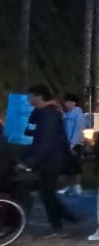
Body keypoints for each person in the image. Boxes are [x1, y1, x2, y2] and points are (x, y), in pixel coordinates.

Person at [19, 85, 77, 236]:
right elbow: (36, 128)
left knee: (46, 193)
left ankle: (59, 225)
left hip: (51, 160)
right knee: (47, 193)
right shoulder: (45, 113)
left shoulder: (49, 115)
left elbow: (46, 142)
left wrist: (28, 162)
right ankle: (64, 219)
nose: (28, 99)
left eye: (30, 96)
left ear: (38, 97)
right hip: (49, 160)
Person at [60, 93, 85, 195]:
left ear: (73, 103)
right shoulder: (66, 114)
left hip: (75, 144)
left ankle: (77, 186)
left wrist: (73, 144)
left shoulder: (78, 114)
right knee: (67, 166)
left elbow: (78, 129)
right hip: (66, 143)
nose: (66, 104)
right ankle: (67, 186)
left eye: (68, 102)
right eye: (66, 102)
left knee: (76, 166)